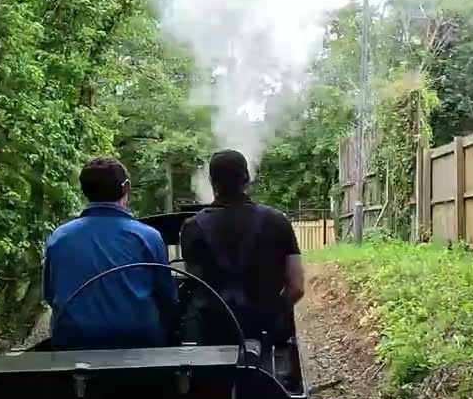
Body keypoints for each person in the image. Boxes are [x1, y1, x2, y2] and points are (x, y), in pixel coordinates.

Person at [42, 157, 176, 349]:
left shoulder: (60, 236)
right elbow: (166, 298)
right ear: (126, 187)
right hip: (138, 343)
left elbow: (50, 293)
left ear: (84, 191)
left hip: (74, 342)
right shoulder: (149, 237)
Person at [180, 149, 304, 344]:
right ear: (246, 178)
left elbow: (196, 286)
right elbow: (297, 287)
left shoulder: (192, 227)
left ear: (212, 182)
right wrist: (273, 312)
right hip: (268, 333)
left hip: (214, 335)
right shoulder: (277, 221)